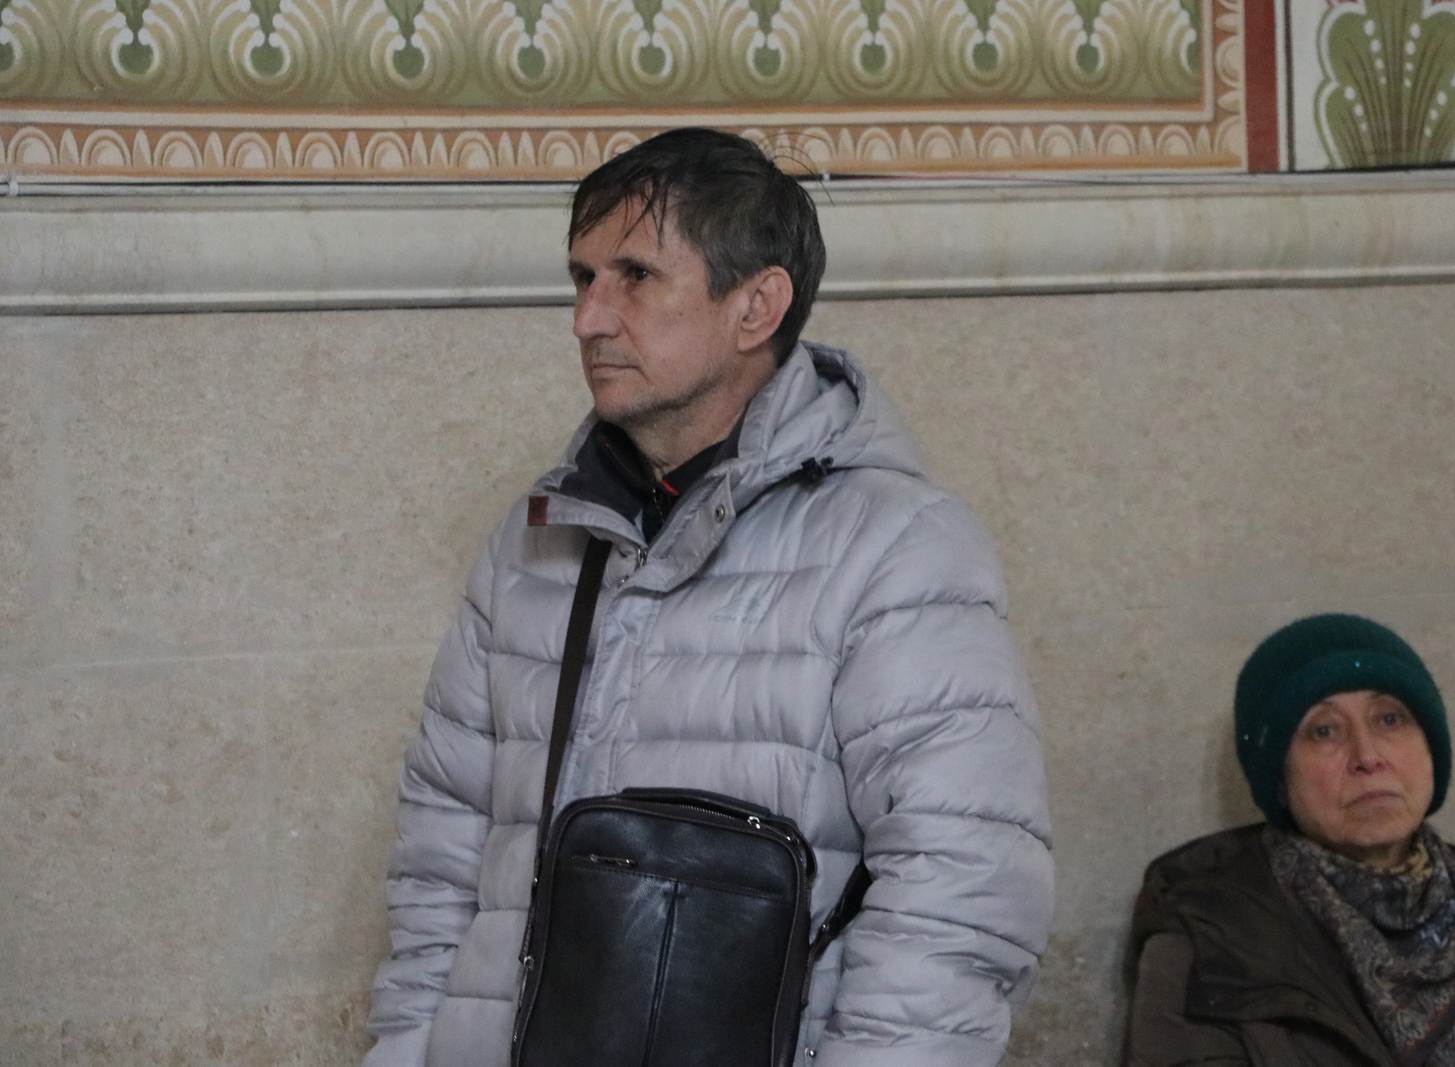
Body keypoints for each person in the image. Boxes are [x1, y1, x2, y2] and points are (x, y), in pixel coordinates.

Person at [360, 127, 1054, 1067]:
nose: (588, 319)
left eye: (636, 277)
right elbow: (440, 857)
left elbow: (964, 882)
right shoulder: (532, 542)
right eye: (582, 278)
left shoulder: (898, 546)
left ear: (756, 306)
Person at [1125, 613, 1455, 1067]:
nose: (1367, 756)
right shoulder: (1209, 934)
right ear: (1279, 777)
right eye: (1324, 730)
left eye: (1389, 719)